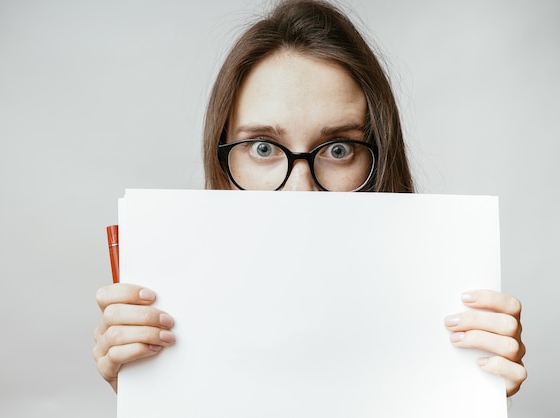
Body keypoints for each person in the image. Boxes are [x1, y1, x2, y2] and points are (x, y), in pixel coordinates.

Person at [93, 0, 526, 398]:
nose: (301, 189)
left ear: (379, 154)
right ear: (222, 156)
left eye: (338, 149)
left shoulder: (439, 310)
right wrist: (148, 391)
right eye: (263, 147)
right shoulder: (176, 320)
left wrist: (470, 395)